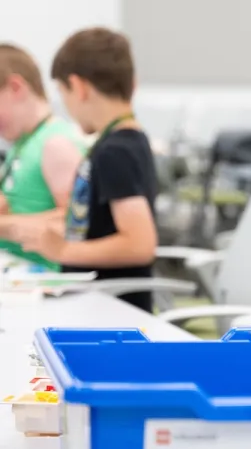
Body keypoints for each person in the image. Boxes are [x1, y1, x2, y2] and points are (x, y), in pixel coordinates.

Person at [18, 28, 159, 312]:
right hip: (94, 302)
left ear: (79, 87)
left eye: (63, 93)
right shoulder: (120, 142)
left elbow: (140, 244)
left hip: (109, 311)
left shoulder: (116, 151)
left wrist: (62, 250)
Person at [0, 44, 85, 269]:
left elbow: (75, 222)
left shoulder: (56, 144)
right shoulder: (22, 144)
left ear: (15, 87)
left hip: (46, 282)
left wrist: (5, 225)